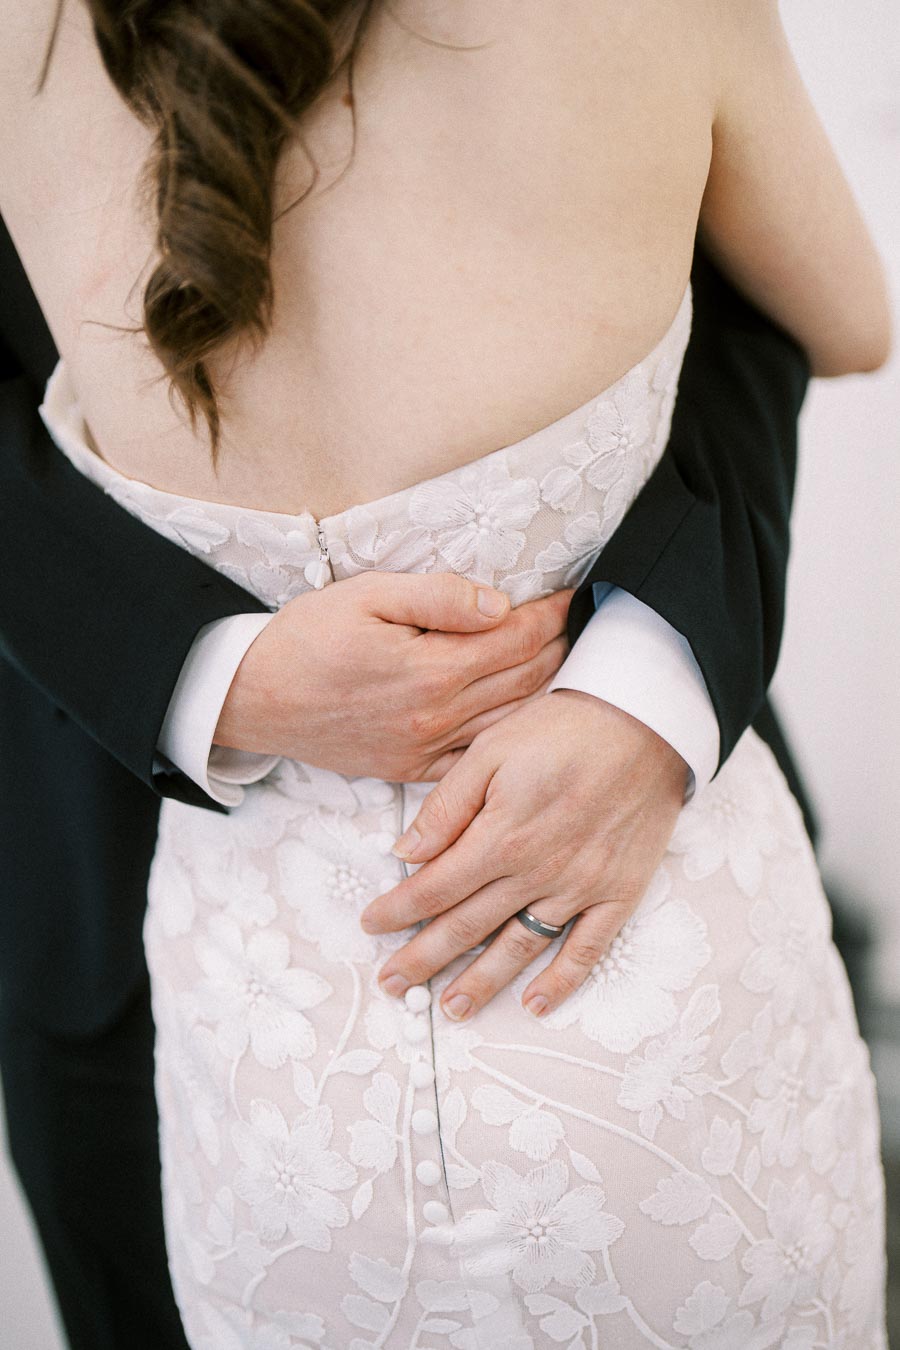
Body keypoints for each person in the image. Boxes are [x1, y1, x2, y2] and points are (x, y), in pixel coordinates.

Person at [0, 1, 890, 1347]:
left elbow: (744, 311)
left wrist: (653, 669)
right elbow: (840, 311)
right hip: (132, 941)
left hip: (289, 1065)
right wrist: (204, 673)